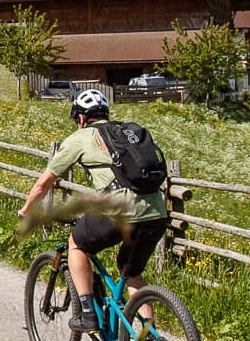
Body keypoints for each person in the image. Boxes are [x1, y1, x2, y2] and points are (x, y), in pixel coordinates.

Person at [19, 88, 170, 326]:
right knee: (132, 272)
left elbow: (45, 181)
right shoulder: (128, 132)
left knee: (76, 244)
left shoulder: (80, 138)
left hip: (120, 212)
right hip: (157, 213)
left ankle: (88, 313)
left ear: (80, 117)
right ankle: (149, 339)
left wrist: (27, 209)